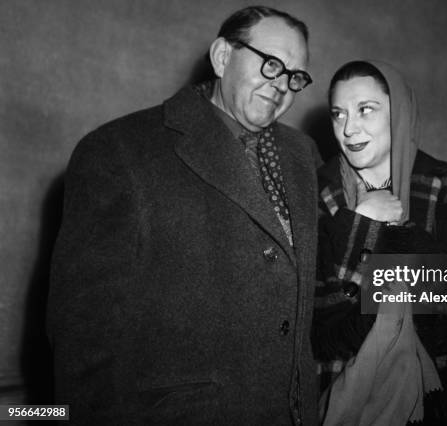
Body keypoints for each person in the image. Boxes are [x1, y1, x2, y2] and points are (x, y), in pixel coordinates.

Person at [47, 6, 320, 425]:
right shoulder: (119, 151)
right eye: (271, 65)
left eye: (295, 76)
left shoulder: (303, 156)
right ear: (222, 57)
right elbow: (81, 337)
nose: (282, 85)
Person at [312, 61, 447, 425]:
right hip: (350, 397)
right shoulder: (318, 196)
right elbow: (322, 323)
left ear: (399, 114)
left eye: (366, 110)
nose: (349, 128)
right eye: (338, 113)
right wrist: (361, 225)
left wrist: (400, 244)